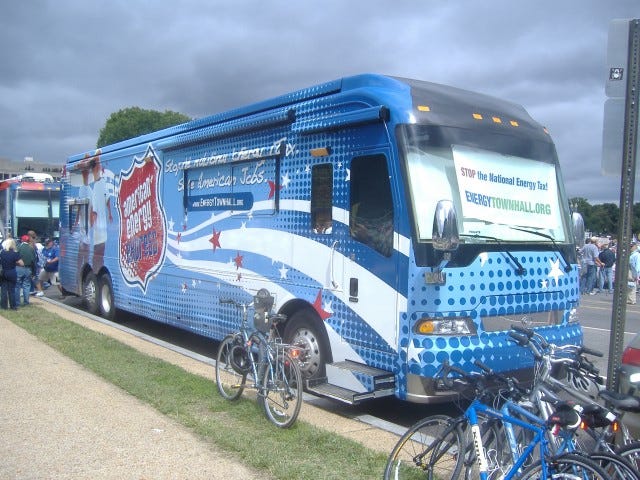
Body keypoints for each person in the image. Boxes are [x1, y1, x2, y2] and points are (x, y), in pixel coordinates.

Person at [90, 151, 112, 272]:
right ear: (96, 168)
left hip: (101, 231)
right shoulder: (96, 187)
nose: (100, 165)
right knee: (98, 256)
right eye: (98, 164)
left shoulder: (101, 183)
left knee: (100, 255)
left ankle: (96, 268)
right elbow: (94, 212)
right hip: (99, 232)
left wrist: (110, 213)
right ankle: (95, 269)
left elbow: (107, 199)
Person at [0, 238, 24, 309]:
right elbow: (22, 263)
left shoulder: (2, 253)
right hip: (11, 272)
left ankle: (3, 306)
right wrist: (15, 263)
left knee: (3, 290)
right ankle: (13, 306)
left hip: (3, 272)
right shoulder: (15, 253)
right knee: (11, 290)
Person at [16, 234, 36, 306]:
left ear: (22, 240)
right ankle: (26, 302)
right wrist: (34, 272)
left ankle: (17, 303)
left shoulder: (19, 247)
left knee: (17, 286)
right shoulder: (31, 248)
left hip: (18, 268)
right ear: (28, 241)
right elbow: (34, 261)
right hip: (28, 269)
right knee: (26, 285)